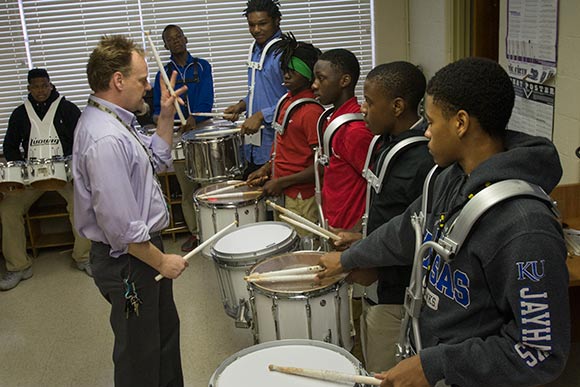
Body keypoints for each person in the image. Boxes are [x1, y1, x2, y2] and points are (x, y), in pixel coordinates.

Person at [318, 57, 570, 387]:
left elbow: (540, 352)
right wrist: (349, 258)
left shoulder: (524, 227)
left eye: (432, 121)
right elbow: (407, 228)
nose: (425, 130)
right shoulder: (449, 178)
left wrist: (436, 364)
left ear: (461, 123)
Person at [73, 35, 188, 386]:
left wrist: (166, 115)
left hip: (141, 251)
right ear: (117, 80)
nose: (149, 86)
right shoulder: (104, 137)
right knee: (140, 354)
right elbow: (121, 227)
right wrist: (161, 262)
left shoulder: (117, 119)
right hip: (130, 258)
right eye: (142, 79)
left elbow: (155, 159)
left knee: (163, 338)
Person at [333, 61, 433, 373]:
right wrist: (363, 241)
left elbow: (416, 233)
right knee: (369, 357)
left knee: (384, 370)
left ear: (398, 106)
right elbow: (391, 218)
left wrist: (372, 264)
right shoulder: (385, 143)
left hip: (398, 293)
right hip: (378, 283)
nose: (363, 109)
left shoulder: (424, 159)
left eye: (370, 102)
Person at [0, 68, 91, 291]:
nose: (40, 90)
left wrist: (72, 165)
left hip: (65, 174)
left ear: (50, 85)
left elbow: (82, 140)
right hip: (32, 177)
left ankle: (84, 257)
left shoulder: (67, 109)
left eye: (44, 85)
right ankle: (18, 266)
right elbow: (10, 146)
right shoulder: (20, 113)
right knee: (8, 209)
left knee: (82, 203)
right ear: (29, 88)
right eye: (36, 86)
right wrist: (21, 169)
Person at [247, 32, 323, 233]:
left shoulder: (311, 112)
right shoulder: (286, 101)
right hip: (285, 192)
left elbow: (320, 167)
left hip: (301, 197)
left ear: (308, 74)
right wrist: (266, 169)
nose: (286, 75)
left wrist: (280, 182)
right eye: (284, 70)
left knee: (301, 251)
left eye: (293, 71)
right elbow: (284, 148)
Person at [153, 24, 215, 252]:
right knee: (187, 190)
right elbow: (156, 110)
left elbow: (207, 98)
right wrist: (168, 118)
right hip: (180, 138)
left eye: (178, 36)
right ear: (166, 45)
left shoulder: (202, 66)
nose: (176, 40)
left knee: (209, 187)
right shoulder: (163, 73)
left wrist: (193, 118)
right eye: (170, 39)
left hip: (203, 134)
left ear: (185, 38)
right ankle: (196, 234)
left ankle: (215, 232)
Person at [311, 48, 374, 231]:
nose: (314, 85)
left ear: (344, 81)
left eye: (321, 78)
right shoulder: (333, 119)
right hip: (333, 222)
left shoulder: (354, 131)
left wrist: (355, 232)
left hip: (347, 231)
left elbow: (376, 189)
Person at [224, 0, 287, 177]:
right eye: (252, 25)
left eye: (262, 23)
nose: (256, 30)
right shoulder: (256, 51)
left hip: (276, 148)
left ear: (277, 20)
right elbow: (262, 92)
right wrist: (241, 105)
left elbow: (295, 102)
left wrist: (261, 115)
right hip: (252, 148)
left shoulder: (286, 53)